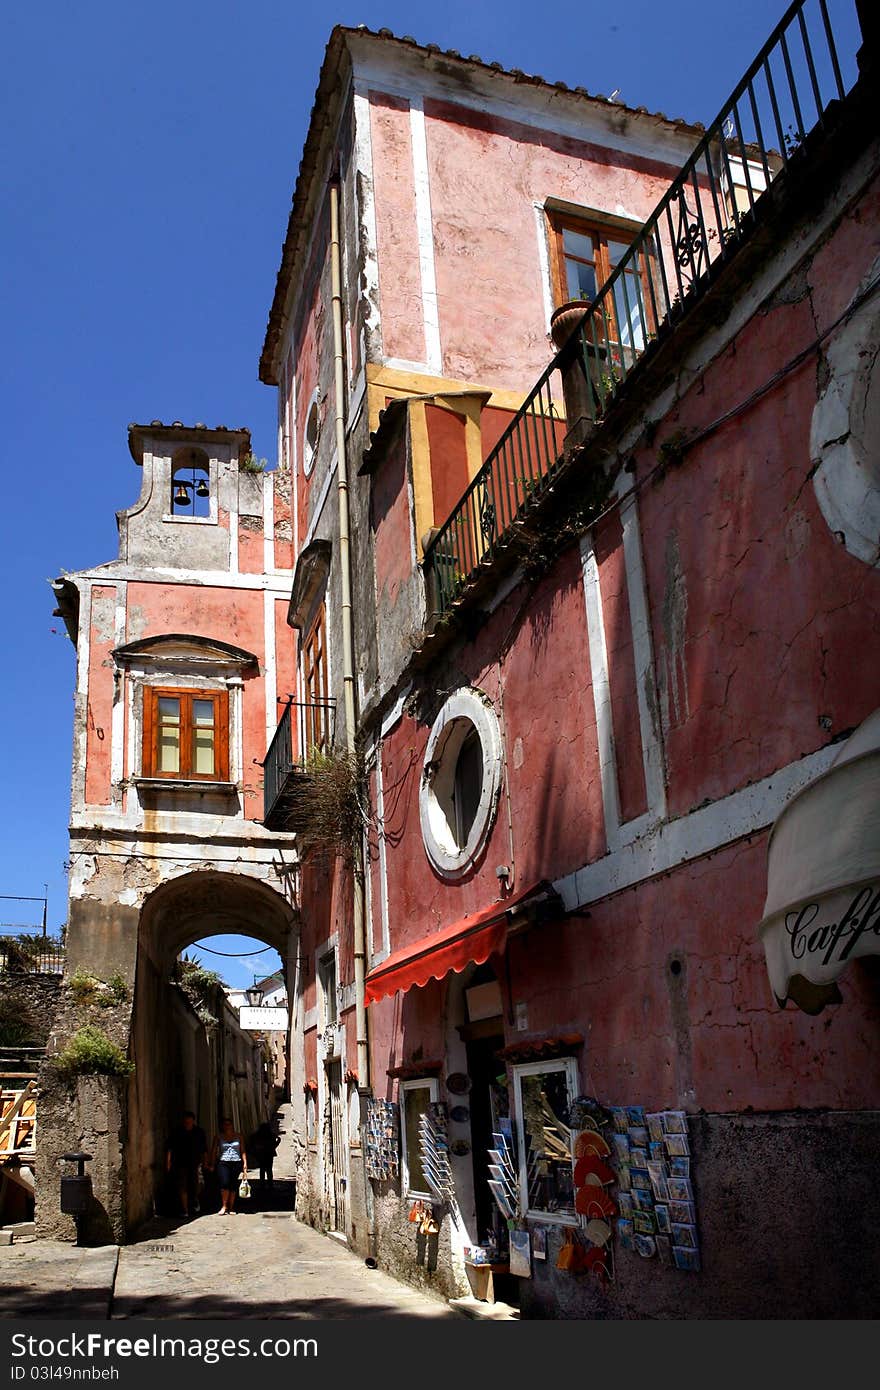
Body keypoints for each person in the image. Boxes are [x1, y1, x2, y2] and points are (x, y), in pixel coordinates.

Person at [165, 1110, 208, 1219]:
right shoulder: (177, 1132)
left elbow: (204, 1149)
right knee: (182, 1186)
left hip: (195, 1163)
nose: (188, 1124)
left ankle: (195, 1200)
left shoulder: (199, 1132)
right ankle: (185, 1210)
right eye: (186, 1122)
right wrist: (168, 1162)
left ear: (193, 1121)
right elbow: (170, 1148)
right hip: (180, 1163)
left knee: (196, 1184)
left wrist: (205, 1162)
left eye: (190, 1122)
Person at [209, 1116, 248, 1215]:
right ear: (222, 1126)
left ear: (232, 1125)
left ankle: (231, 1207)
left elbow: (242, 1150)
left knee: (233, 1185)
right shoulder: (218, 1137)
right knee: (225, 1183)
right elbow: (214, 1151)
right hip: (223, 1162)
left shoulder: (239, 1136)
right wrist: (212, 1164)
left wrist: (245, 1163)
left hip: (236, 1162)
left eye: (229, 1124)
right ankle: (224, 1206)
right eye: (225, 1125)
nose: (227, 1126)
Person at [249, 1121, 280, 1190]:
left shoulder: (258, 1135)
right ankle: (270, 1184)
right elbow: (276, 1142)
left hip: (261, 1155)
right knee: (269, 1170)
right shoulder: (270, 1135)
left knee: (262, 1169)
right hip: (269, 1154)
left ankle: (262, 1184)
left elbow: (251, 1139)